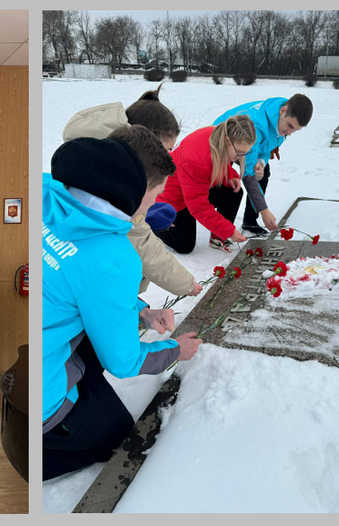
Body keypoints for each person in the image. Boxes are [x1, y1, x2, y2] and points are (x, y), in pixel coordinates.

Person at [42, 125, 203, 480]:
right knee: (114, 436)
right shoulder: (115, 257)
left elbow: (78, 281)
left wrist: (140, 310)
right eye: (154, 197)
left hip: (42, 341)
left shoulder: (45, 189)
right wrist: (175, 350)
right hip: (41, 389)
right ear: (137, 189)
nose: (153, 206)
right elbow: (124, 362)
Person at [62, 83, 203, 298]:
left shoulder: (98, 158)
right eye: (163, 150)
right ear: (142, 142)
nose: (166, 158)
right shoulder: (112, 181)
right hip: (88, 291)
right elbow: (141, 243)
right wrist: (186, 285)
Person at [213, 94, 314, 235]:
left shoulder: (281, 123)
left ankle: (250, 221)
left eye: (295, 130)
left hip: (244, 147)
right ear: (283, 111)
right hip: (221, 146)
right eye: (290, 126)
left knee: (263, 172)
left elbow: (267, 146)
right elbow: (247, 174)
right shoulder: (257, 124)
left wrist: (260, 162)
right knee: (230, 186)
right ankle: (220, 231)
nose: (289, 133)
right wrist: (264, 210)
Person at [155, 115, 256, 254]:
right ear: (227, 140)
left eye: (245, 153)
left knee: (234, 192)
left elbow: (218, 161)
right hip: (173, 198)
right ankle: (153, 224)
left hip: (195, 188)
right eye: (239, 153)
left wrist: (229, 175)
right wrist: (229, 231)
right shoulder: (196, 161)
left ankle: (217, 238)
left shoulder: (220, 137)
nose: (241, 157)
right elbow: (199, 207)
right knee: (184, 246)